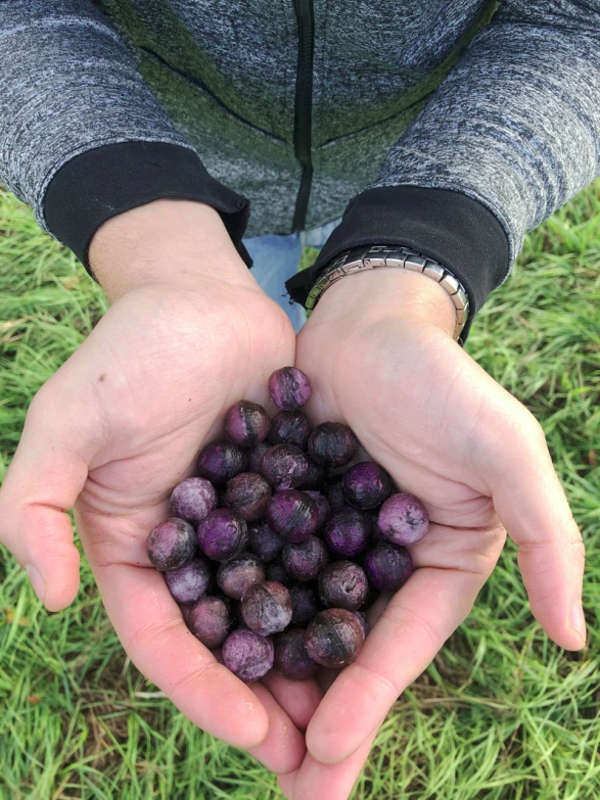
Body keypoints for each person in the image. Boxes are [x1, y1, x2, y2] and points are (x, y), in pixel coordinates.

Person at [0, 2, 597, 798]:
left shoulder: (290, 528)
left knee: (286, 335)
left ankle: (324, 299)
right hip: (171, 151)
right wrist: (161, 251)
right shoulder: (279, 522)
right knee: (251, 290)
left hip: (413, 157)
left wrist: (424, 253)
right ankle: (248, 296)